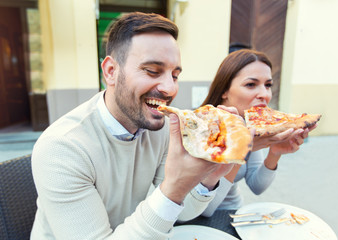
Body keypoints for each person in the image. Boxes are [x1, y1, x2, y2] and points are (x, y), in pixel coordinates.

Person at [30, 12, 235, 239]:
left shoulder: (162, 129)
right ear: (111, 72)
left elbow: (181, 212)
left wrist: (211, 173)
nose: (169, 88)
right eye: (152, 71)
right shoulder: (62, 148)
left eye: (175, 75)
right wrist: (173, 188)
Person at [200, 49, 317, 216]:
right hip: (198, 219)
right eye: (251, 84)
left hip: (234, 212)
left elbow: (257, 186)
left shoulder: (248, 125)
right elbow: (206, 210)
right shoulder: (204, 130)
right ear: (224, 90)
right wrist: (240, 151)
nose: (265, 94)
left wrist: (275, 152)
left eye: (268, 85)